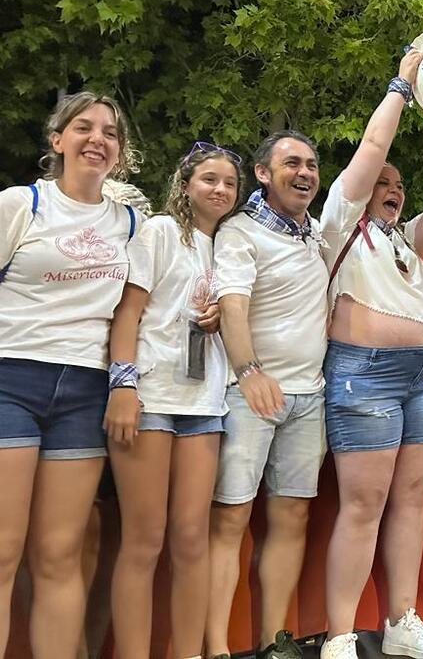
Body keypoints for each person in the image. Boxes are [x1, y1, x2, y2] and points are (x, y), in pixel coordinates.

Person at [318, 51, 423, 659]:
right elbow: (371, 150)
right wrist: (403, 86)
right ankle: (340, 635)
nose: (393, 191)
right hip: (364, 376)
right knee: (363, 503)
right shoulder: (340, 225)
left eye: (400, 187)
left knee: (408, 498)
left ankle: (402, 620)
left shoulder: (405, 242)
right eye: (385, 184)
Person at [0, 92, 141, 657]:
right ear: (57, 140)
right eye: (83, 127)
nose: (97, 139)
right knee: (4, 549)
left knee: (59, 554)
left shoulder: (132, 221)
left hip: (86, 389)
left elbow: (140, 305)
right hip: (11, 377)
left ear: (119, 151)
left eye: (110, 132)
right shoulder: (21, 204)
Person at [103, 143, 243, 658]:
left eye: (229, 182)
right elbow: (128, 312)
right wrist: (123, 384)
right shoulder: (161, 231)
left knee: (191, 539)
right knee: (144, 540)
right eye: (209, 179)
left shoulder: (230, 245)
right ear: (185, 185)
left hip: (205, 403)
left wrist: (219, 320)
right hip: (153, 395)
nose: (220, 190)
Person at [205, 130, 329, 659]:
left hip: (310, 395)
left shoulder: (316, 233)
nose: (304, 173)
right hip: (249, 394)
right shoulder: (240, 231)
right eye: (291, 163)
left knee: (291, 518)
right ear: (262, 173)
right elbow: (231, 304)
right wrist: (248, 370)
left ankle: (273, 642)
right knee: (230, 519)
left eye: (311, 164)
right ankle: (213, 647)